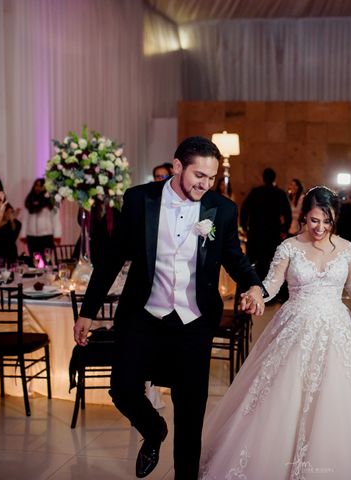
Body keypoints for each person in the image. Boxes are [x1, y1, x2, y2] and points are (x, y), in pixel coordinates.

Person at [73, 136, 266, 480]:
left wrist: (254, 284)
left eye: (211, 178)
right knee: (123, 388)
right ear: (177, 167)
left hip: (193, 323)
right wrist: (87, 311)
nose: (205, 185)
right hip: (144, 316)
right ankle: (153, 429)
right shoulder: (138, 200)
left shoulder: (221, 210)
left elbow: (233, 257)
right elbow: (112, 258)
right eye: (199, 176)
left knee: (190, 413)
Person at [200, 186, 351, 479]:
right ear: (303, 217)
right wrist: (255, 295)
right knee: (283, 396)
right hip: (296, 328)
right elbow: (270, 285)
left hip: (336, 329)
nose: (320, 228)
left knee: (336, 399)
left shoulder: (346, 248)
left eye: (327, 222)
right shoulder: (289, 247)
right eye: (314, 220)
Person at [240, 167, 292, 280]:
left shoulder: (255, 192)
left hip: (255, 233)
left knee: (253, 263)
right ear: (274, 178)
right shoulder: (280, 193)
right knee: (272, 262)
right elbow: (288, 213)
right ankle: (271, 290)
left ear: (263, 178)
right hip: (273, 233)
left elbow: (244, 209)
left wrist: (244, 227)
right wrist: (284, 230)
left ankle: (253, 286)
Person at [21, 178, 61, 259]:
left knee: (48, 261)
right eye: (36, 185)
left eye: (40, 186)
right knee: (35, 261)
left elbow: (56, 219)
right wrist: (23, 234)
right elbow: (25, 219)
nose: (38, 188)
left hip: (46, 236)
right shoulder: (29, 200)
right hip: (31, 237)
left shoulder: (51, 201)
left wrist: (57, 235)